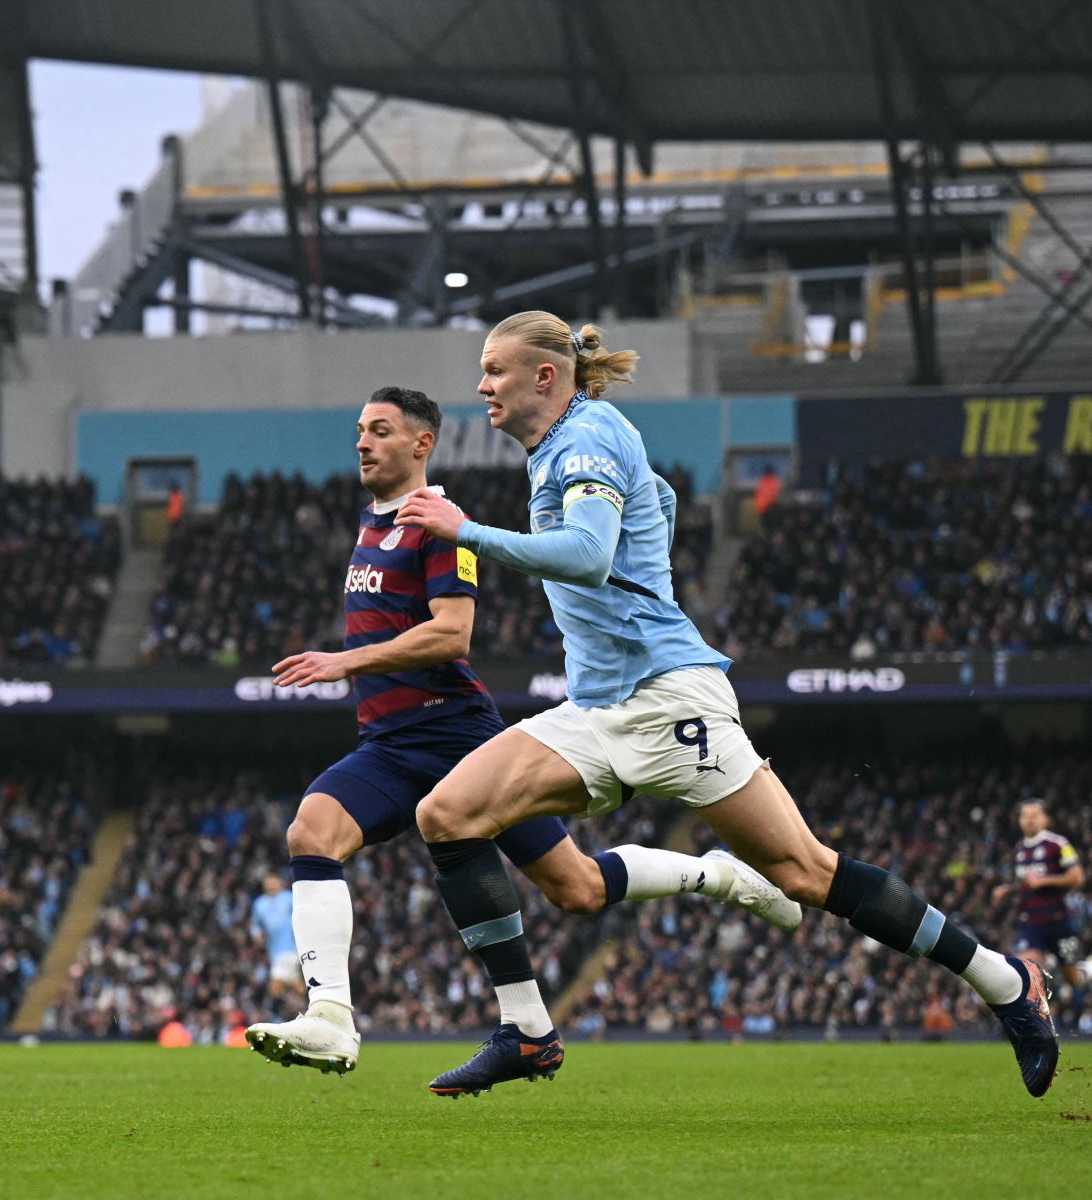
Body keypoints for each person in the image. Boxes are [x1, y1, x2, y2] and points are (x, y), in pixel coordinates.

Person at [392, 311, 1058, 1098]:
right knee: (447, 815)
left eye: (495, 370)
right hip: (596, 709)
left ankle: (1006, 982)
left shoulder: (587, 437)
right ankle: (527, 1032)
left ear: (546, 376)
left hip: (672, 701)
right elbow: (662, 501)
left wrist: (466, 530)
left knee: (805, 872)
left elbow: (588, 553)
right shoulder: (560, 449)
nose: (481, 385)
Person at [245, 385, 799, 1076]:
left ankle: (717, 876)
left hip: (458, 738)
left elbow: (454, 634)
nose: (362, 441)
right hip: (387, 745)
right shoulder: (369, 523)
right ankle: (330, 1017)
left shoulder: (440, 526)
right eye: (359, 429)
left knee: (579, 890)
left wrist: (345, 659)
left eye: (379, 430)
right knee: (310, 834)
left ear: (421, 444)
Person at [993, 801, 1086, 990]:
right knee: (1026, 971)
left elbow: (1077, 878)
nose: (1029, 820)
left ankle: (1087, 970)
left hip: (1058, 921)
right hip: (1031, 923)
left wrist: (1044, 880)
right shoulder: (1020, 848)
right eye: (1025, 816)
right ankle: (1035, 1016)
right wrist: (1007, 889)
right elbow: (1026, 881)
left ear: (1046, 819)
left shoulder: (1058, 844)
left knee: (1073, 980)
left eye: (1034, 815)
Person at [249, 873, 299, 1006]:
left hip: (290, 947)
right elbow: (255, 925)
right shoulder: (259, 904)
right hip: (273, 951)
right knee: (292, 983)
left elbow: (301, 915)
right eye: (268, 882)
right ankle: (298, 1003)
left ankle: (283, 1011)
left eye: (273, 881)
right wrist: (257, 935)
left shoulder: (289, 898)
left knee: (275, 986)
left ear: (279, 882)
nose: (271, 884)